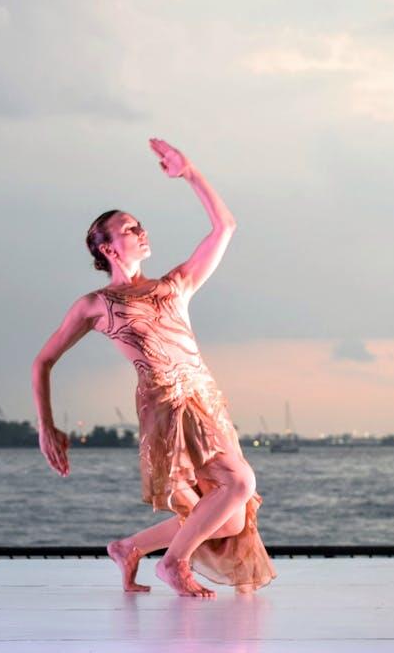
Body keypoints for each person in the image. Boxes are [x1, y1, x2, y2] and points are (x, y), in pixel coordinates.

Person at [30, 139, 275, 597]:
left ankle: (130, 548)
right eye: (130, 228)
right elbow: (43, 360)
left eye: (141, 226)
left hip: (206, 400)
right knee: (240, 483)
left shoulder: (176, 284)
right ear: (107, 247)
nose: (142, 232)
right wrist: (46, 426)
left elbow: (225, 226)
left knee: (229, 518)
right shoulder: (96, 304)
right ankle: (173, 563)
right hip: (167, 407)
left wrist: (190, 172)